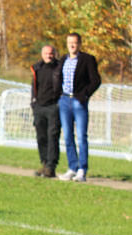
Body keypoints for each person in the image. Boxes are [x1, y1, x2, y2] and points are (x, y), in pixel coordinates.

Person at [57, 32, 101, 182]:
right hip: (64, 100)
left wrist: (85, 95)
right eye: (69, 42)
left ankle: (82, 169)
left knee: (81, 136)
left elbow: (95, 80)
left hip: (78, 101)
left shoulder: (87, 59)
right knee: (68, 136)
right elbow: (58, 78)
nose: (72, 45)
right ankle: (72, 167)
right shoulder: (63, 59)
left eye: (74, 42)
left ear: (79, 43)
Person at [30, 45, 62, 178]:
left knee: (52, 136)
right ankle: (44, 163)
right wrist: (33, 103)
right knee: (41, 136)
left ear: (55, 54)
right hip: (39, 106)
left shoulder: (60, 68)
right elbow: (34, 86)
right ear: (42, 54)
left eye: (51, 53)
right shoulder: (37, 68)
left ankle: (51, 166)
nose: (49, 56)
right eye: (46, 53)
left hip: (54, 106)